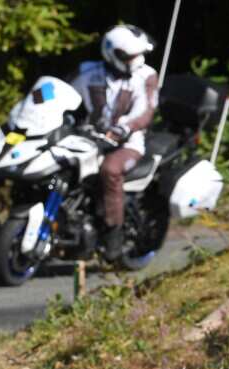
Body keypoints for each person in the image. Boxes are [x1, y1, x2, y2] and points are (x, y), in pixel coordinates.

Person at [71, 24, 158, 263]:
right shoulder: (88, 72)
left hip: (127, 142)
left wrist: (123, 128)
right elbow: (65, 94)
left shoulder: (146, 76)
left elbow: (146, 111)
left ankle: (113, 234)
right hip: (89, 138)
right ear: (112, 53)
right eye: (129, 56)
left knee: (109, 170)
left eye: (137, 55)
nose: (135, 60)